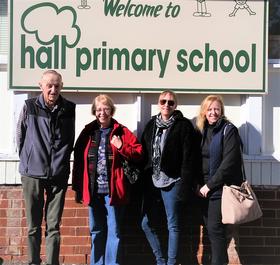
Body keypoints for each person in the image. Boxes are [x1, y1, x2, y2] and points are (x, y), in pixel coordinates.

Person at [72, 94, 143, 265]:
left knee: (114, 231)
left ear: (111, 110)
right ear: (94, 111)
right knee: (96, 230)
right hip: (93, 190)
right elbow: (79, 162)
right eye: (98, 109)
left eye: (105, 109)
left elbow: (139, 153)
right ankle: (97, 263)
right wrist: (77, 188)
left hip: (114, 192)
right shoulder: (88, 132)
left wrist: (122, 146)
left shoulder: (121, 131)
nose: (102, 112)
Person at [16, 70, 76, 265]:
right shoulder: (29, 106)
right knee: (33, 225)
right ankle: (33, 262)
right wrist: (28, 158)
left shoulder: (69, 108)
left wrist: (62, 162)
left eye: (57, 85)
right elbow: (20, 136)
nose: (53, 89)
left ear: (61, 87)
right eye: (49, 85)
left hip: (58, 174)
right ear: (40, 86)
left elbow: (69, 139)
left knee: (53, 226)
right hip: (32, 173)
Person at [141, 90, 195, 265]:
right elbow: (144, 154)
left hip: (173, 181)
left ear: (175, 105)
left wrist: (185, 184)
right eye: (163, 101)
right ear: (158, 103)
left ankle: (171, 262)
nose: (166, 105)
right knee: (146, 223)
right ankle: (160, 259)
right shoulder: (151, 125)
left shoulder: (183, 126)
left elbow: (189, 157)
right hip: (152, 181)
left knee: (173, 224)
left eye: (170, 102)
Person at [195, 95, 243, 265]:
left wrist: (210, 185)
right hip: (202, 188)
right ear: (204, 112)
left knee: (215, 231)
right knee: (212, 231)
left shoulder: (228, 130)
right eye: (209, 109)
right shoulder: (202, 130)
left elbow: (229, 162)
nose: (213, 112)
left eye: (216, 109)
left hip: (219, 189)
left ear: (221, 111)